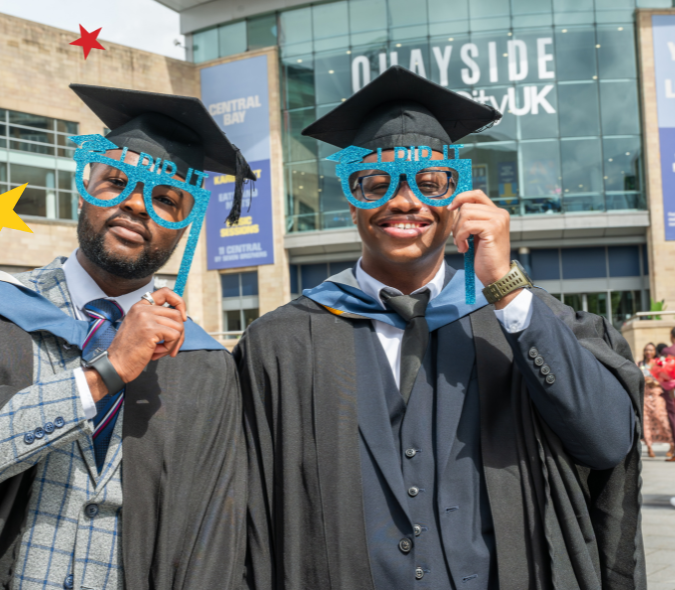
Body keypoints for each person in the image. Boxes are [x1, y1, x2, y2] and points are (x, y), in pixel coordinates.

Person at [236, 66, 644, 590]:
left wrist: (506, 287)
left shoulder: (517, 317)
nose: (405, 200)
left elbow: (608, 442)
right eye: (377, 184)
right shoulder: (282, 342)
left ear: (458, 199)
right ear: (352, 201)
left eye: (431, 184)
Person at [0, 86, 255, 590]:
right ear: (84, 189)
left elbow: (214, 533)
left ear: (184, 226)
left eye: (166, 200)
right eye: (116, 181)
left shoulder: (203, 365)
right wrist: (103, 374)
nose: (137, 205)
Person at [638, 342, 675, 458]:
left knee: (663, 420)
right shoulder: (639, 364)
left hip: (657, 395)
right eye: (646, 350)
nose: (648, 352)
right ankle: (649, 447)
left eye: (651, 350)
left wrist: (654, 382)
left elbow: (665, 380)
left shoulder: (659, 364)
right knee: (646, 423)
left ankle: (672, 444)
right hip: (644, 397)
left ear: (655, 352)